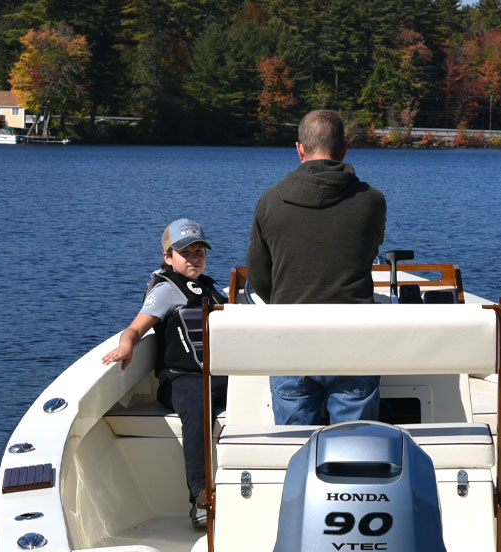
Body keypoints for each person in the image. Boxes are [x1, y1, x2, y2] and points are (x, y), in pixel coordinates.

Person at [246, 108, 387, 426]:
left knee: (293, 444)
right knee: (356, 443)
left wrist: (284, 302)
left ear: (300, 149)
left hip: (289, 340)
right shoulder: (372, 201)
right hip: (354, 342)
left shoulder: (270, 201)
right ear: (344, 149)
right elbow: (369, 252)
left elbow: (258, 276)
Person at [102, 219, 227, 529]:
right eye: (186, 253)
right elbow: (135, 329)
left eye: (200, 252)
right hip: (179, 378)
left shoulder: (211, 288)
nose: (194, 258)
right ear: (168, 257)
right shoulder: (166, 291)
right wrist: (126, 347)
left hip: (215, 376)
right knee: (197, 407)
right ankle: (200, 497)